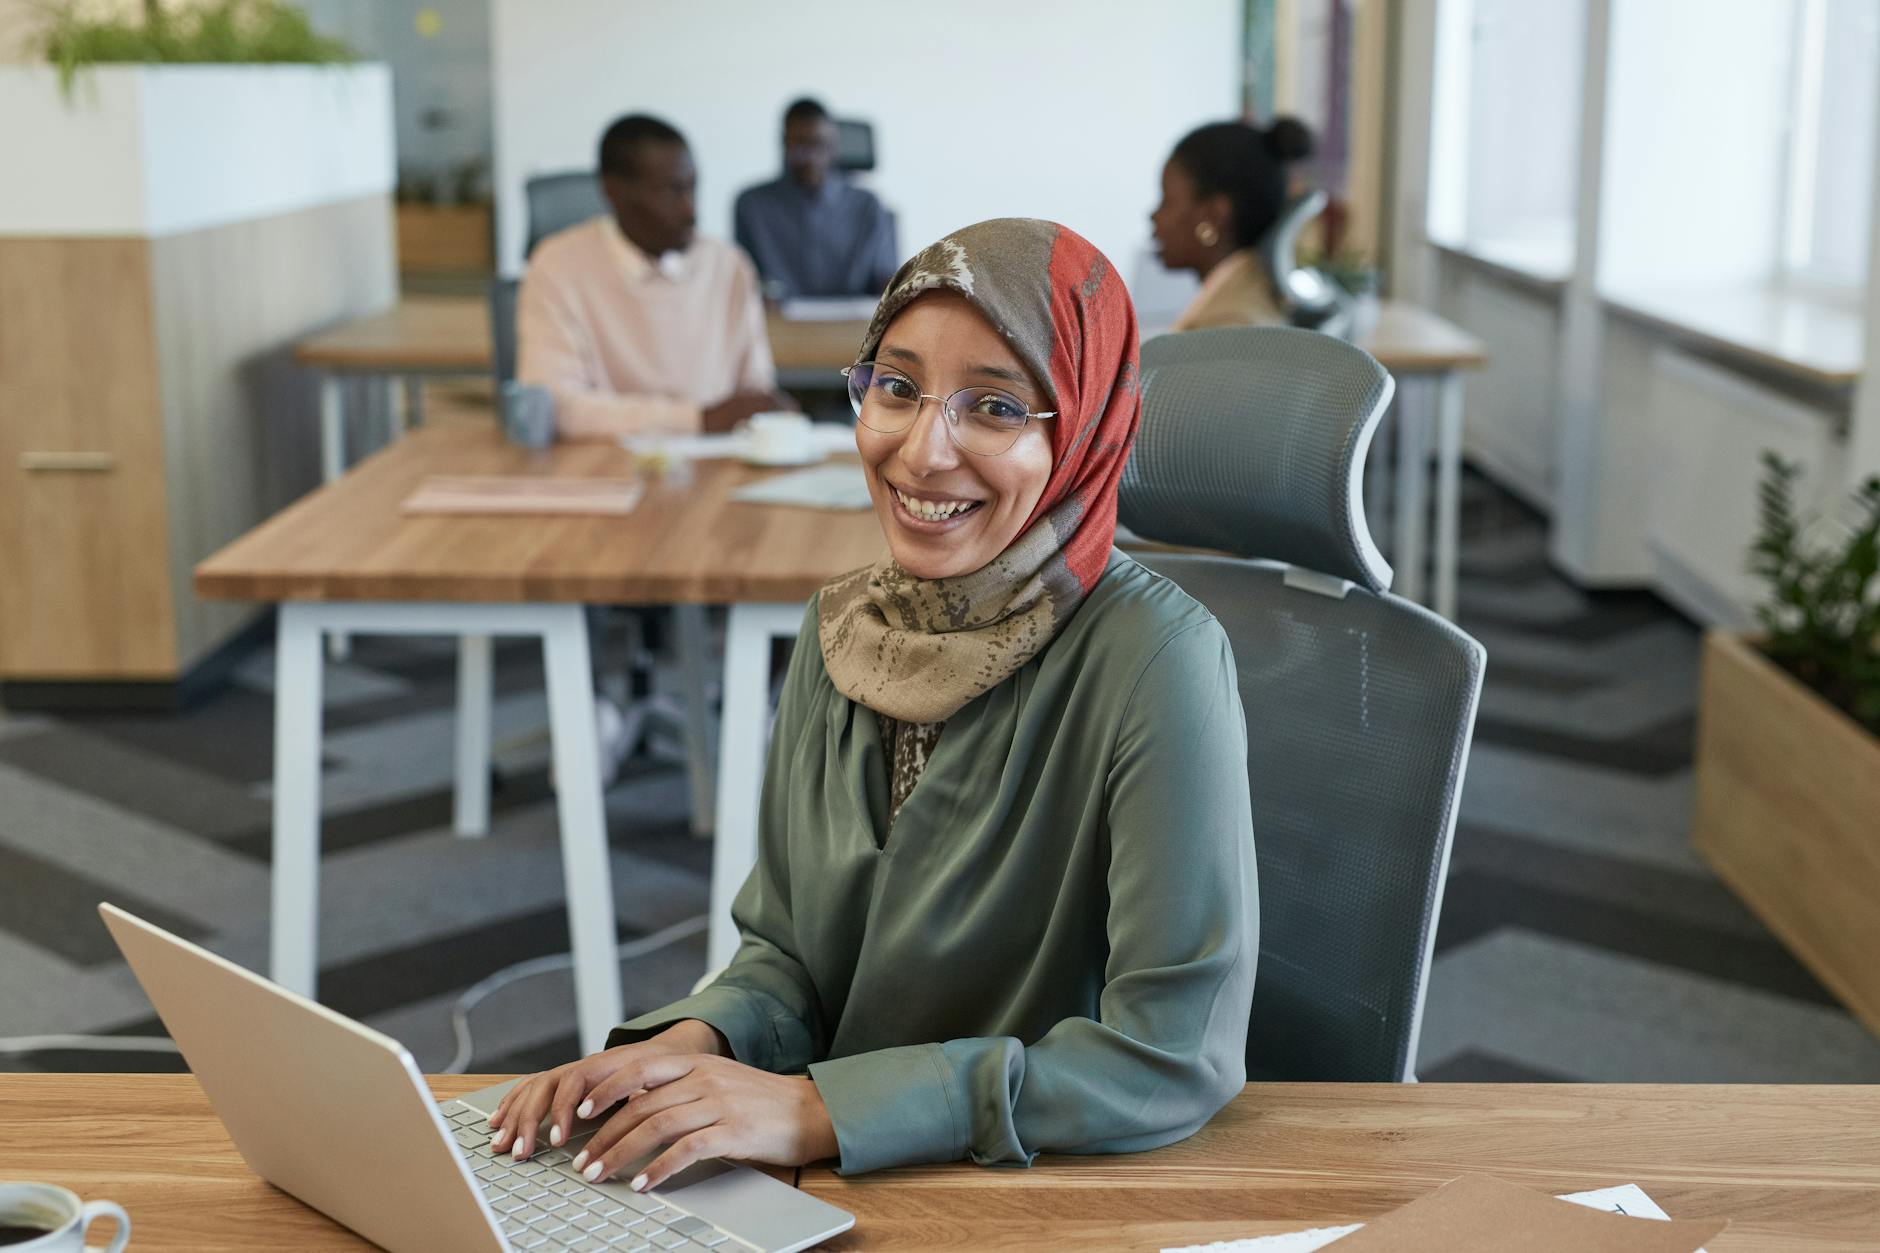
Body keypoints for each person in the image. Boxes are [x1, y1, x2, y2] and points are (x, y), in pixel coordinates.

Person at [486, 219, 1258, 1188]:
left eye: (994, 405)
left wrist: (817, 1108)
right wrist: (693, 1041)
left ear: (1087, 428)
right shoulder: (842, 631)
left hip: (1044, 1188)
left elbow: (1170, 1056)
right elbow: (789, 957)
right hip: (845, 1175)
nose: (922, 450)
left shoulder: (1157, 660)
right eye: (894, 387)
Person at [519, 113, 794, 438]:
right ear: (613, 192)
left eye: (692, 188)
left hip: (717, 465)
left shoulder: (729, 266)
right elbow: (555, 406)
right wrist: (699, 419)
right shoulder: (558, 266)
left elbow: (754, 394)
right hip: (607, 468)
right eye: (671, 191)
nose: (691, 210)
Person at [1150, 117, 1315, 332]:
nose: (1154, 216)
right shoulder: (1246, 298)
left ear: (1214, 215)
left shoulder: (1228, 327)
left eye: (1167, 201)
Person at [733, 97, 899, 301]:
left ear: (834, 146)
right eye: (799, 145)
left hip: (854, 327)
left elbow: (886, 281)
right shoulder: (752, 206)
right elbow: (744, 282)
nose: (810, 157)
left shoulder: (868, 206)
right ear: (783, 144)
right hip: (780, 327)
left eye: (818, 145)